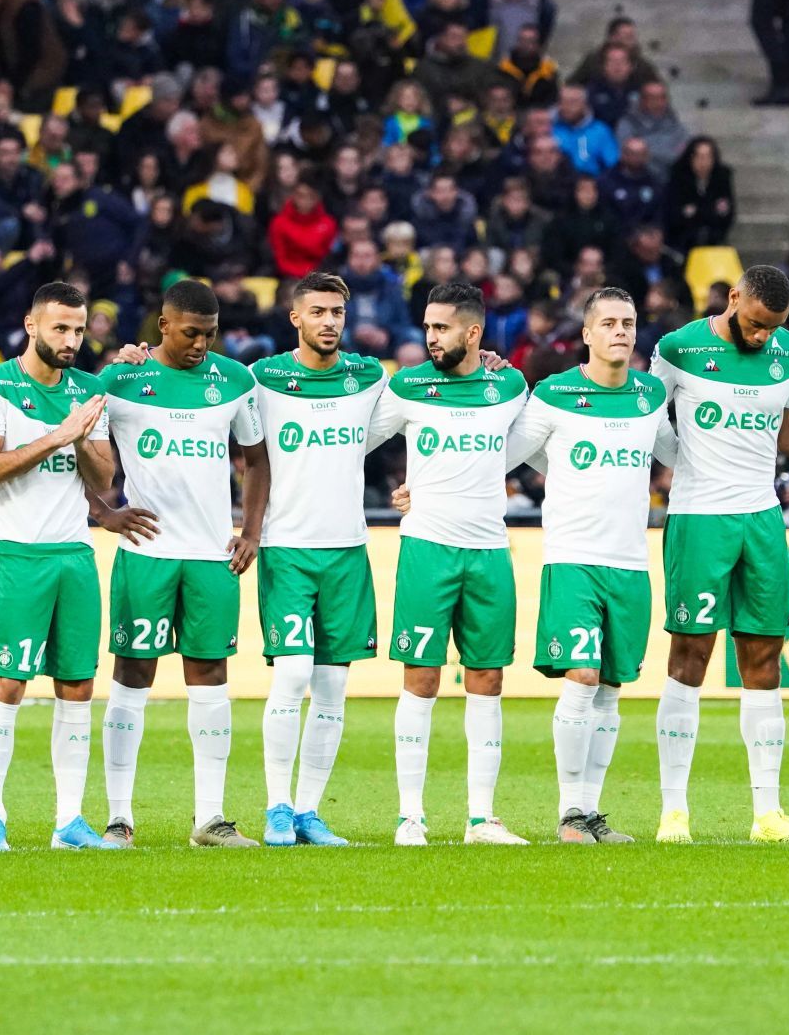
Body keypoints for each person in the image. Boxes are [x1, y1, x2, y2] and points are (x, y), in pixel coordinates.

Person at [648, 265, 789, 844]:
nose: (761, 338)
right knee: (690, 656)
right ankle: (674, 812)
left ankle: (767, 815)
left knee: (764, 659)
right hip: (699, 518)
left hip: (762, 519)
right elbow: (647, 418)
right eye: (753, 325)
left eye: (771, 329)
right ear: (732, 300)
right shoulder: (678, 348)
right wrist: (680, 460)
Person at [96, 278, 270, 848]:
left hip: (210, 555)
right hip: (145, 553)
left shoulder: (236, 381)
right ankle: (119, 817)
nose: (201, 345)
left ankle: (210, 818)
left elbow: (257, 461)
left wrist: (251, 531)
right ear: (163, 326)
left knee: (210, 676)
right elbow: (74, 447)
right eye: (192, 333)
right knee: (132, 675)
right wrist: (103, 512)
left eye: (210, 334)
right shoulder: (121, 381)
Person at [506, 287, 676, 844]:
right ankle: (570, 815)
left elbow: (676, 453)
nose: (621, 331)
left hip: (630, 563)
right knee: (582, 676)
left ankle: (591, 810)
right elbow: (505, 453)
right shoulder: (555, 394)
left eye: (627, 322)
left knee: (610, 688)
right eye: (608, 323)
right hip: (573, 557)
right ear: (586, 334)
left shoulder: (650, 395)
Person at [366, 281, 532, 847]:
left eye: (441, 328)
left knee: (487, 679)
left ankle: (481, 819)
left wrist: (463, 479)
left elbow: (521, 448)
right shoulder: (407, 385)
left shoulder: (509, 385)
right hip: (427, 549)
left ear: (473, 332)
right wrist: (406, 489)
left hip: (489, 551)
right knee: (421, 678)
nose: (430, 338)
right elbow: (353, 439)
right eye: (427, 327)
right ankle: (410, 816)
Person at [0, 281, 121, 853]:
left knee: (77, 685)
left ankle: (70, 822)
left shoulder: (89, 389)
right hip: (20, 553)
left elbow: (104, 481)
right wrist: (59, 434)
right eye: (60, 328)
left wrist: (81, 437)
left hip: (74, 554)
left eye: (79, 330)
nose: (71, 340)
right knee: (9, 683)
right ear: (32, 326)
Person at [247, 272, 389, 847]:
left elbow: (431, 397)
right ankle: (277, 806)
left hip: (348, 549)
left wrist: (486, 363)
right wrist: (141, 355)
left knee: (332, 687)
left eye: (337, 312)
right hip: (287, 547)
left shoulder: (369, 377)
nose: (330, 322)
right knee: (293, 674)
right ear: (295, 319)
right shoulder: (263, 379)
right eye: (319, 312)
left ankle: (308, 811)